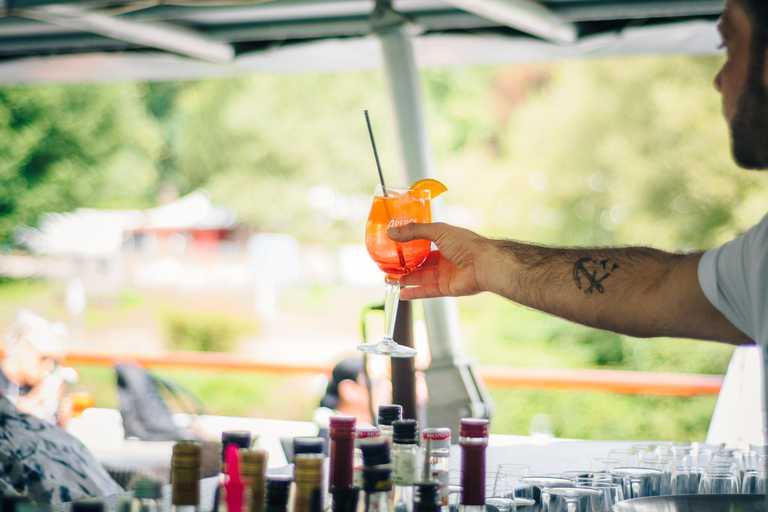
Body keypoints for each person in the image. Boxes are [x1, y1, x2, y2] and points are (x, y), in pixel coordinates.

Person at [388, 0, 767, 348]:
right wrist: (487, 262)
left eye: (728, 46)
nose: (719, 79)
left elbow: (655, 291)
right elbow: (654, 289)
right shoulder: (760, 257)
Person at [1, 309, 78, 424]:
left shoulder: (39, 384)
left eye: (54, 361)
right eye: (44, 358)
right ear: (21, 352)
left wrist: (60, 418)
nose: (50, 367)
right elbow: (5, 426)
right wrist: (35, 398)